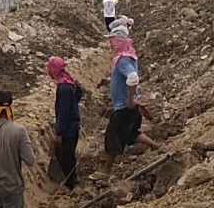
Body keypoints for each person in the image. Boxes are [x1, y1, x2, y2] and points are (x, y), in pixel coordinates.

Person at [96, 24, 160, 178]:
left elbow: (132, 78)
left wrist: (130, 100)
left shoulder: (123, 59)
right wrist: (108, 82)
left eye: (113, 40)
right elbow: (125, 78)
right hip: (130, 107)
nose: (111, 44)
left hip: (124, 107)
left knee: (112, 135)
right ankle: (156, 146)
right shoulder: (129, 56)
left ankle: (106, 171)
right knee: (132, 133)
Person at [47, 56, 84, 190]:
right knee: (69, 154)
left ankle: (70, 183)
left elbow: (62, 113)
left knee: (65, 155)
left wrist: (58, 132)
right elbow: (80, 91)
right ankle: (72, 179)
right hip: (73, 124)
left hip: (67, 128)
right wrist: (73, 103)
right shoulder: (68, 81)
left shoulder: (63, 88)